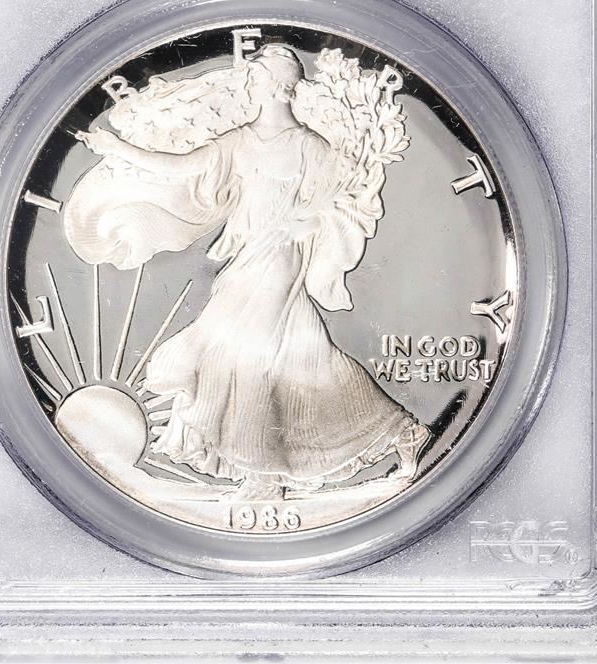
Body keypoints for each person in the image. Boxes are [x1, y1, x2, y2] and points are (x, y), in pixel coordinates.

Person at [67, 45, 429, 499]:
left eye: (256, 79)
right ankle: (400, 432)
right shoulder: (238, 141)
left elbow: (338, 205)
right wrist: (118, 147)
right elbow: (181, 168)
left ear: (278, 88)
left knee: (244, 355)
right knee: (301, 358)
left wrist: (306, 224)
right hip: (250, 258)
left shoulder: (311, 148)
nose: (249, 85)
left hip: (281, 261)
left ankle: (264, 476)